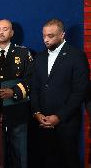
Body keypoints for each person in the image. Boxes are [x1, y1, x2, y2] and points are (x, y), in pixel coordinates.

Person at [31, 19, 90, 168]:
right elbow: (35, 88)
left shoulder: (77, 56)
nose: (46, 39)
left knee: (69, 161)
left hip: (67, 123)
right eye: (44, 35)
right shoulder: (39, 57)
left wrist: (59, 117)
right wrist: (37, 113)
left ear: (62, 35)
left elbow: (79, 92)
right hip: (42, 122)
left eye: (51, 36)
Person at [0, 19, 33, 168]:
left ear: (12, 33)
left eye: (5, 29)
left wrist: (13, 91)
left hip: (17, 109)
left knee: (19, 153)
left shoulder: (23, 52)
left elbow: (31, 78)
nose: (1, 32)